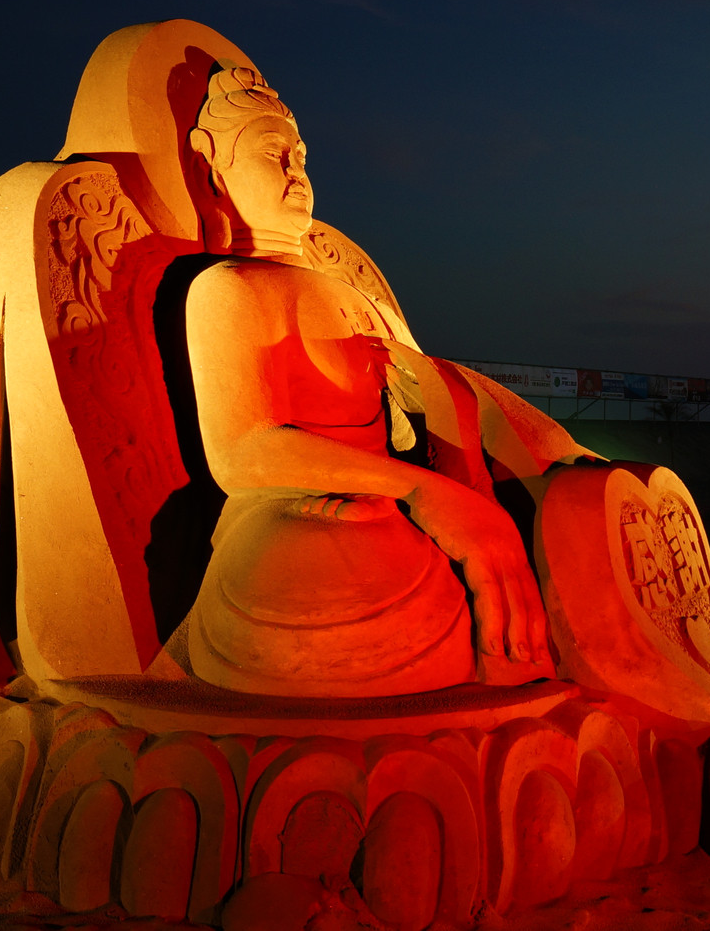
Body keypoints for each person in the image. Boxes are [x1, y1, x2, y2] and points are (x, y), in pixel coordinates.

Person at [178, 66, 568, 697]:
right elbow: (242, 451)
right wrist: (425, 493)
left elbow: (436, 395)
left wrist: (476, 492)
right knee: (324, 569)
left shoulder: (356, 297)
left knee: (553, 537)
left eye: (301, 157)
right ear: (212, 169)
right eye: (272, 154)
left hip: (396, 507)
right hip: (299, 516)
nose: (295, 171)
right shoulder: (231, 287)